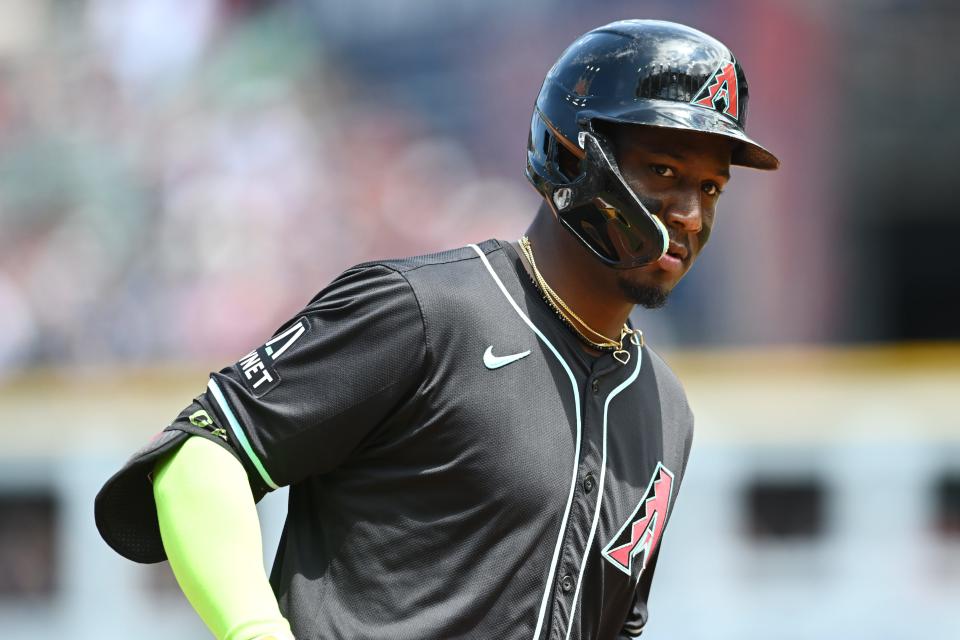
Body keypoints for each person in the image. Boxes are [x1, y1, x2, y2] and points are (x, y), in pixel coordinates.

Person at [95, 19, 778, 640]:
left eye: (712, 187)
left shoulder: (663, 409)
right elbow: (201, 454)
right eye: (664, 171)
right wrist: (254, 631)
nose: (690, 213)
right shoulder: (426, 311)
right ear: (576, 156)